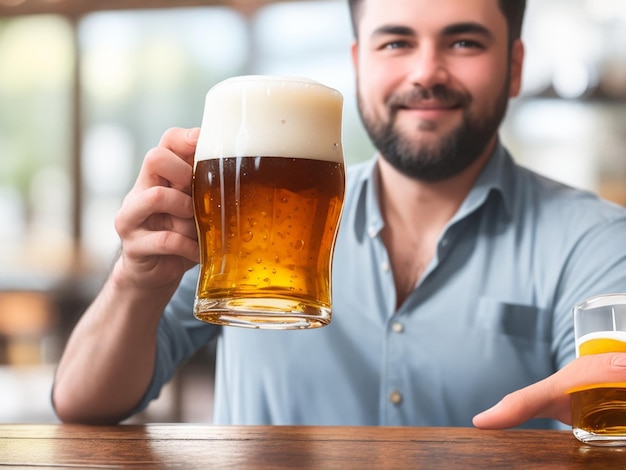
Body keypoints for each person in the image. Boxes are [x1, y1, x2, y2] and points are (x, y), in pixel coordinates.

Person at [52, 0, 626, 429]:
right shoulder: (234, 227)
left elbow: (610, 398)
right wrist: (134, 281)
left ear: (516, 66)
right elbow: (82, 404)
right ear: (358, 62)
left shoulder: (595, 241)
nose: (425, 72)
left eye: (464, 43)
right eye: (395, 43)